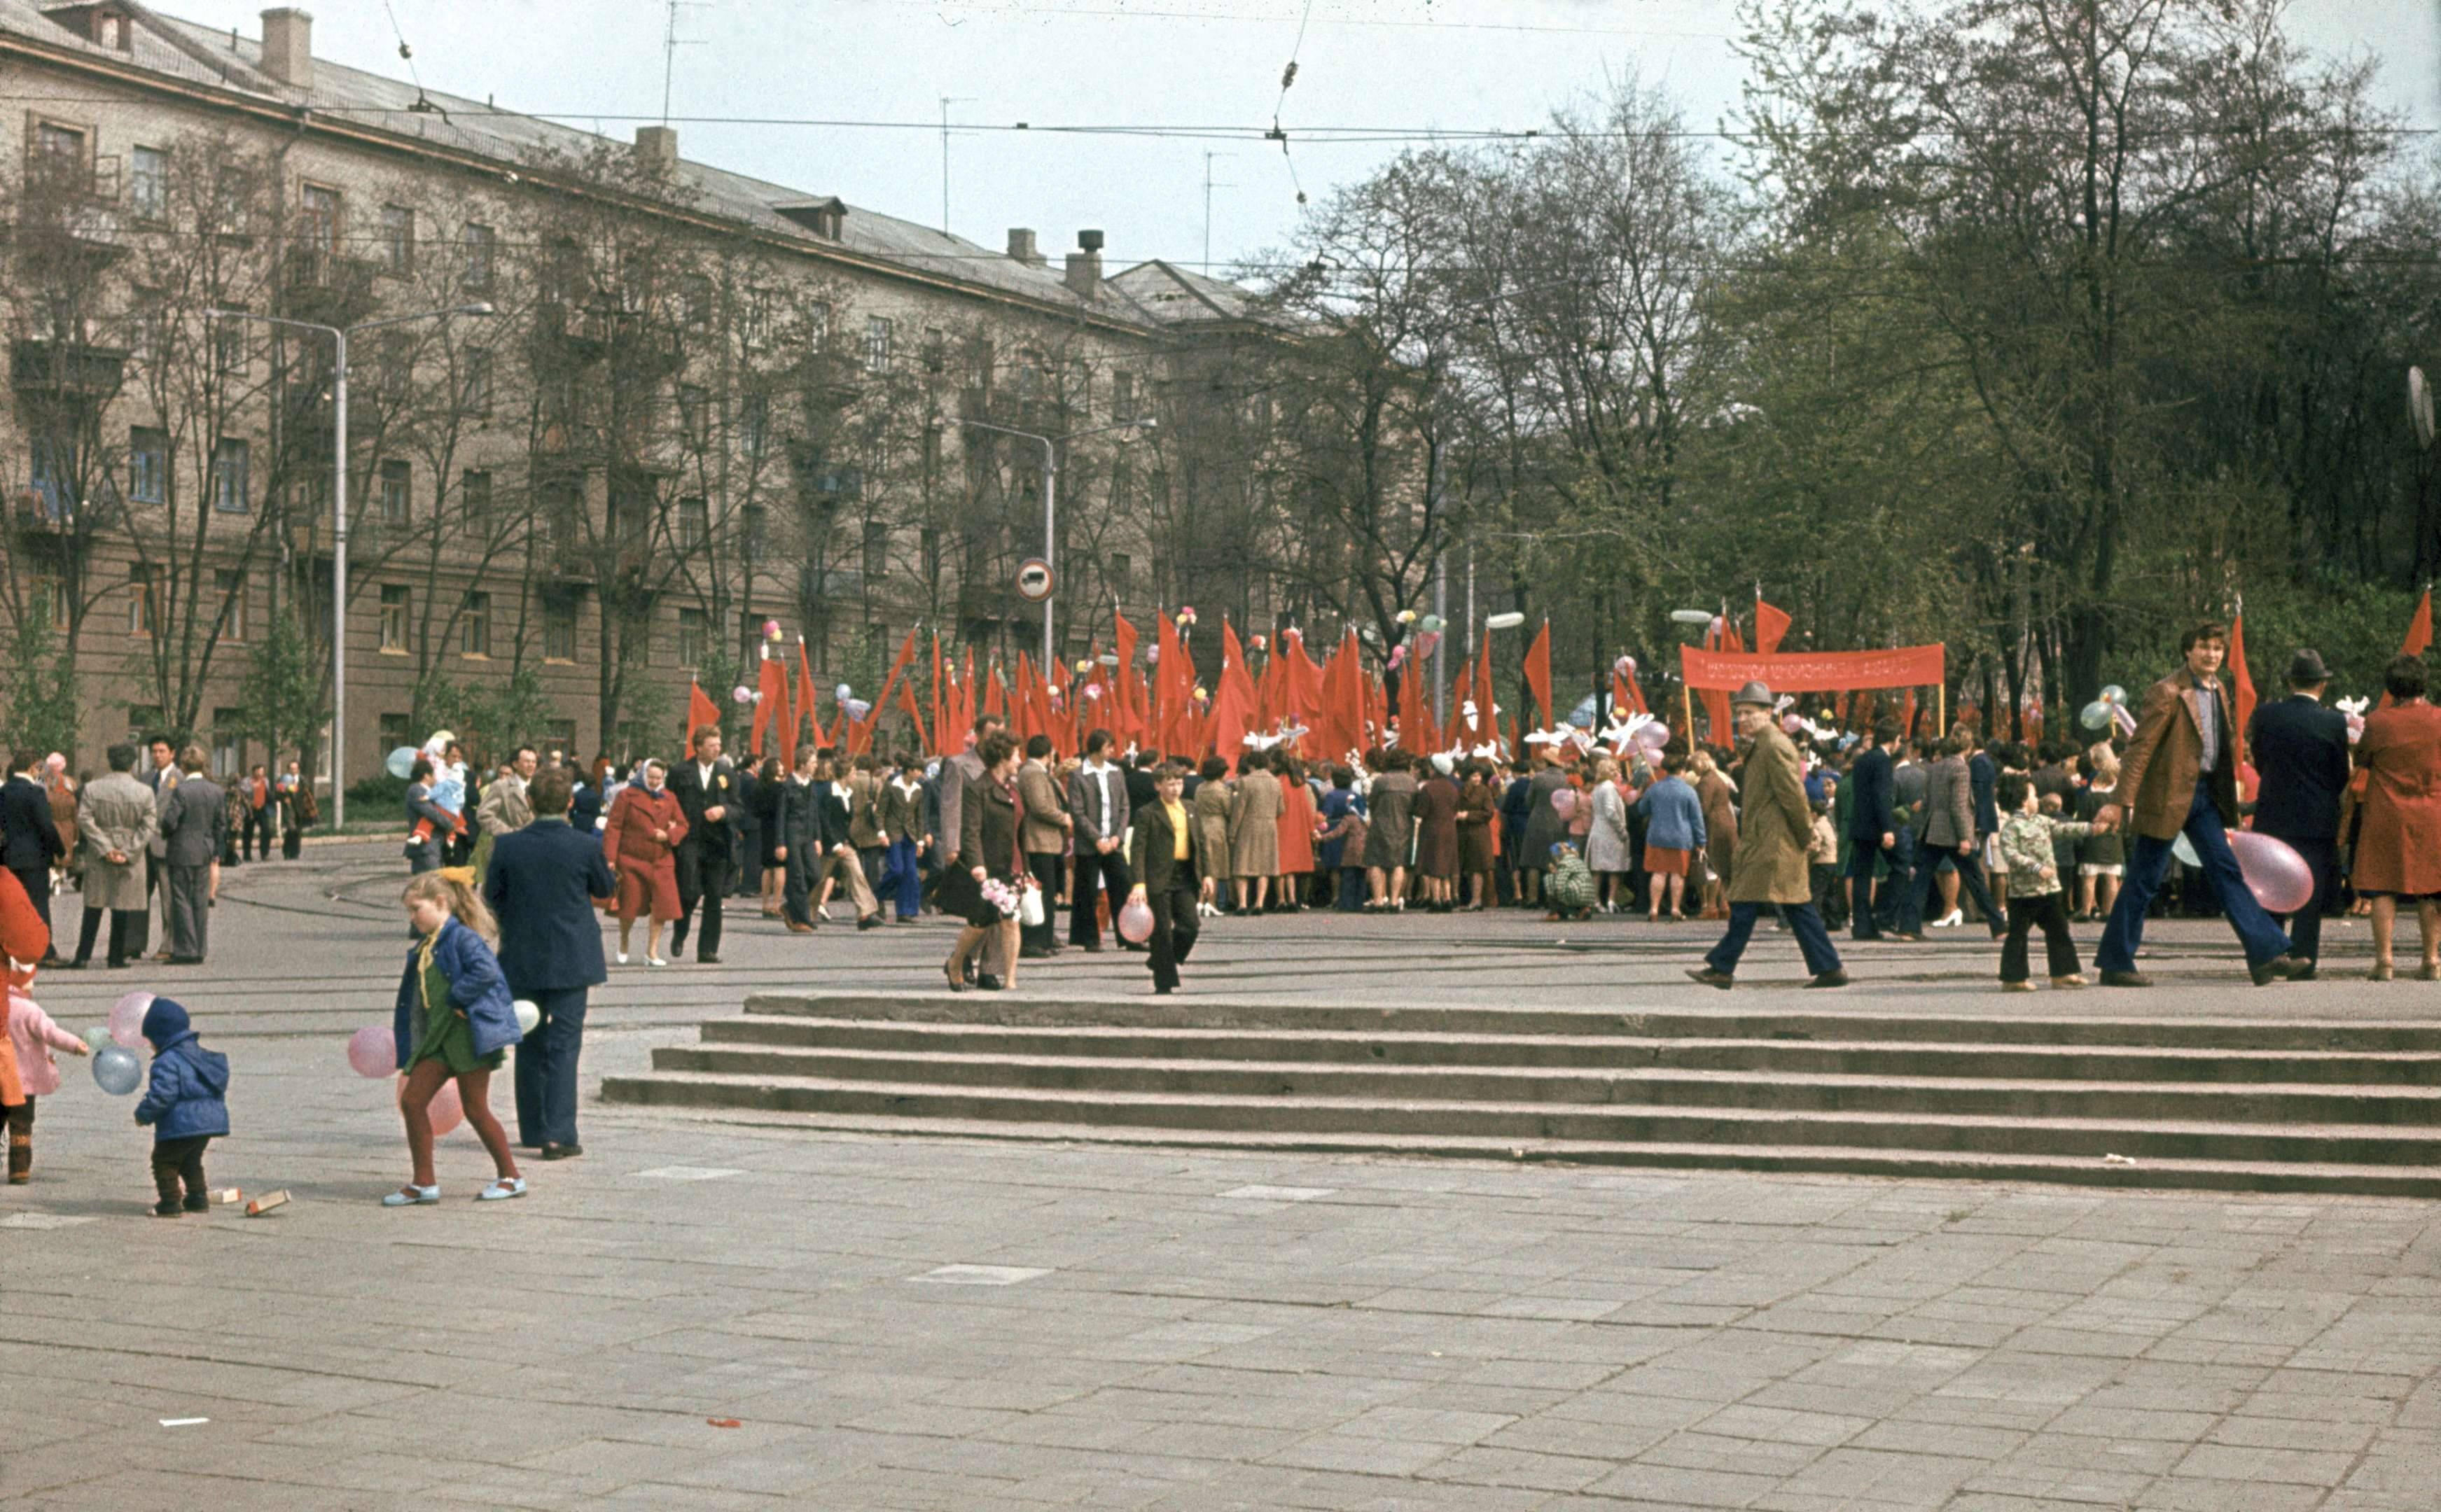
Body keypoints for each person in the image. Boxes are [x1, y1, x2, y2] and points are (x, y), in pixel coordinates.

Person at [2094, 622, 2304, 987]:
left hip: (2204, 796)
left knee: (2227, 871)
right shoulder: (2167, 691)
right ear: (2187, 651)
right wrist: (2119, 802)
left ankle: (2265, 955)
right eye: (2204, 647)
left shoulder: (2218, 688)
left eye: (2218, 649)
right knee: (2144, 880)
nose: (2212, 654)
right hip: (2167, 797)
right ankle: (2115, 962)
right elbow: (2140, 748)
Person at [485, 766, 616, 1161]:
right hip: (572, 957)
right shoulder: (585, 846)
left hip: (522, 956)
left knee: (528, 1038)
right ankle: (558, 1134)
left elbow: (493, 897)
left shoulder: (508, 846)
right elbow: (605, 890)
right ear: (570, 803)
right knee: (564, 1045)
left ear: (529, 801)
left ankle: (532, 1127)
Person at [1686, 682, 1847, 990]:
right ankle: (1829, 967)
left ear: (1768, 713)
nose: (1743, 719)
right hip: (1769, 840)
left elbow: (1792, 795)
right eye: (1740, 713)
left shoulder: (1773, 745)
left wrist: (1805, 834)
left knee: (1748, 901)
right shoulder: (1764, 743)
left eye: (1749, 712)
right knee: (1795, 905)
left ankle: (1723, 967)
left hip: (1774, 842)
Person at [388, 870, 527, 1203]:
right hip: (439, 1039)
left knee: (476, 1109)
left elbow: (487, 971)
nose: (412, 917)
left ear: (440, 903)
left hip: (467, 1038)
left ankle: (511, 1177)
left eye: (416, 909)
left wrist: (458, 997)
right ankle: (424, 1183)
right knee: (412, 1101)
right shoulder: (430, 942)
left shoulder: (461, 937)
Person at [2246, 650, 2353, 978]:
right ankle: (2304, 959)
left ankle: (2269, 953)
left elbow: (2260, 761)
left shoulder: (2266, 716)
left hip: (2273, 815)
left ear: (2290, 682)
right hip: (2317, 818)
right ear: (2322, 684)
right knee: (2311, 889)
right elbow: (2341, 774)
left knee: (2271, 887)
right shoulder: (2334, 721)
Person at [2351, 654, 2441, 981]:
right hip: (2432, 811)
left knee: (2381, 886)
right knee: (2431, 887)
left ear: (2391, 688)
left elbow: (2362, 756)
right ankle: (2431, 960)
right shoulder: (2439, 719)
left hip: (2387, 812)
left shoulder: (2378, 721)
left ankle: (2385, 961)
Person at [1993, 774, 2103, 991]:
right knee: (2017, 936)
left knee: (2059, 930)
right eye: (2034, 795)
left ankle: (2063, 973)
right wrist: (2036, 867)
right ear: (2023, 800)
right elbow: (2011, 855)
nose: (2038, 799)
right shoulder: (2011, 826)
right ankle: (2013, 978)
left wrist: (2091, 829)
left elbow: (2064, 828)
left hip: (2049, 890)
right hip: (2023, 893)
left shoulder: (2041, 820)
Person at [940, 732, 1022, 993]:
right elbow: (971, 831)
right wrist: (976, 863)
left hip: (1012, 865)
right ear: (1002, 759)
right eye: (1016, 756)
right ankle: (956, 961)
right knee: (980, 923)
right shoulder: (978, 789)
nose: (1020, 761)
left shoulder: (1013, 790)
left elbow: (1021, 832)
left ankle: (1010, 980)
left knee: (1010, 920)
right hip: (988, 865)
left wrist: (1027, 869)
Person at [132, 995, 228, 1217]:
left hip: (181, 1124)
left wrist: (143, 1114)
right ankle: (198, 1198)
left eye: (150, 1039)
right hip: (207, 1123)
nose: (150, 1045)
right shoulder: (199, 1054)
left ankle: (170, 1202)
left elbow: (163, 1095)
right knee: (191, 1161)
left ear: (161, 1036)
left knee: (164, 1161)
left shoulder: (167, 1060)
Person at [69, 744, 155, 970]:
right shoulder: (145, 792)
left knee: (93, 905)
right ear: (132, 763)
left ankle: (82, 955)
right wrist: (128, 852)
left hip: (100, 852)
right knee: (122, 906)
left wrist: (106, 848)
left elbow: (85, 819)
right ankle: (115, 956)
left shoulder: (92, 789)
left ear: (110, 761)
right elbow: (148, 827)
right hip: (130, 851)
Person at [1919, 734, 2007, 939]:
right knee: (1975, 878)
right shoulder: (1961, 768)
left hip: (1934, 829)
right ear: (1967, 747)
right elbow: (1959, 806)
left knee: (1921, 879)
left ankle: (1909, 925)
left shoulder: (1935, 767)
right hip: (1954, 833)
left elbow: (1928, 800)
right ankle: (1998, 926)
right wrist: (1965, 837)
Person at [1126, 762, 1202, 995]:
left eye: (1179, 783)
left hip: (1184, 876)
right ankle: (1164, 982)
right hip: (1157, 877)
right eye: (1170, 784)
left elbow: (1201, 843)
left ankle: (1160, 961)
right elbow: (1138, 850)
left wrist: (1207, 874)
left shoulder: (1190, 808)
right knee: (1161, 933)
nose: (1176, 789)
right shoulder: (1147, 813)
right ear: (1158, 785)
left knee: (1191, 926)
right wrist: (1139, 883)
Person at [604, 759, 687, 967]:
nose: (654, 781)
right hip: (632, 859)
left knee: (663, 907)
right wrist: (610, 858)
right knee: (629, 907)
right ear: (642, 775)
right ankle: (624, 940)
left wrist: (668, 835)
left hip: (662, 860)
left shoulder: (670, 797)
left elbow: (683, 825)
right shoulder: (626, 796)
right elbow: (614, 827)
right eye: (651, 777)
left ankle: (652, 951)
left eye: (658, 778)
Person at [6, 981, 90, 1182]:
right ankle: (19, 1169)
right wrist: (75, 1044)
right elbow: (51, 1034)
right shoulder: (28, 1009)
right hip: (23, 1084)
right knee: (21, 1125)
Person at [668, 730, 736, 964]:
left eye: (719, 744)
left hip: (717, 842)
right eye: (711, 745)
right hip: (690, 840)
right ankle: (680, 931)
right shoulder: (680, 772)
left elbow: (739, 807)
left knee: (715, 897)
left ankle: (707, 949)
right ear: (698, 747)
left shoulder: (726, 771)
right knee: (688, 891)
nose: (717, 749)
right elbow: (669, 802)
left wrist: (723, 811)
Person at [1065, 729, 1132, 949]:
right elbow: (1077, 811)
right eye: (1108, 747)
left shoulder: (1116, 772)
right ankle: (1090, 938)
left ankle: (1130, 936)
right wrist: (1097, 839)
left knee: (1123, 886)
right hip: (1090, 844)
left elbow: (1124, 807)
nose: (1113, 751)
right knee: (1088, 891)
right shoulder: (1078, 775)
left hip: (1113, 842)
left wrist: (1117, 837)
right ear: (1096, 749)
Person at [155, 746, 221, 965]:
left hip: (181, 850)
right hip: (204, 850)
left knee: (181, 899)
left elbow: (170, 821)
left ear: (183, 766)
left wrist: (165, 832)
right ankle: (200, 947)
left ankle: (186, 949)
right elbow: (221, 825)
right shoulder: (215, 791)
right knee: (200, 900)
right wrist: (216, 850)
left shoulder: (181, 791)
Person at [811, 754, 884, 930]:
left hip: (845, 842)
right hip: (830, 844)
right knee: (819, 880)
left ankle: (865, 914)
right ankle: (805, 912)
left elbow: (845, 822)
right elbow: (824, 819)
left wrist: (849, 841)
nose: (855, 777)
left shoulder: (848, 793)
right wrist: (834, 843)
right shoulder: (829, 792)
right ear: (845, 774)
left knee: (857, 873)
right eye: (853, 773)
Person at [1, 750, 64, 948]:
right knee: (38, 904)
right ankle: (44, 950)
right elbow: (46, 826)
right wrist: (59, 850)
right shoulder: (35, 792)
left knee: (11, 905)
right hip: (35, 857)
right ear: (33, 767)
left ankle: (12, 948)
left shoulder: (3, 791)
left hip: (8, 856)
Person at [1015, 736, 1071, 958]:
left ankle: (1045, 938)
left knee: (1049, 892)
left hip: (1048, 842)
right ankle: (1035, 940)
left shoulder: (1040, 773)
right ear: (1049, 753)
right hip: (1039, 842)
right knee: (1040, 893)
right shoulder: (1032, 773)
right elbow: (1040, 807)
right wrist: (1063, 818)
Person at [1634, 755, 1705, 922]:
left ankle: (1654, 909)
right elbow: (1697, 819)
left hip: (1657, 836)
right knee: (1677, 874)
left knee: (1658, 873)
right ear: (1681, 770)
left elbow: (1642, 809)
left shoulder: (1655, 788)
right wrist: (1701, 841)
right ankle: (1675, 908)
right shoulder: (1689, 791)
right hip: (1681, 837)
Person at [2073, 747, 2125, 923]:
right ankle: (2108, 911)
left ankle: (2086, 910)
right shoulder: (2118, 788)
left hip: (2093, 835)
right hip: (2113, 835)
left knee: (2090, 877)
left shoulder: (2090, 793)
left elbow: (2082, 816)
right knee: (2111, 876)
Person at [471, 746, 538, 883]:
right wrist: (509, 833)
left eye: (534, 762)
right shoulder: (501, 786)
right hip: (506, 850)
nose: (531, 765)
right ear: (515, 764)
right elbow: (484, 815)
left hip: (532, 850)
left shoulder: (540, 787)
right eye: (527, 761)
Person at [1363, 749, 1419, 910]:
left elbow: (1372, 803)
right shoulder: (1412, 782)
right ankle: (1395, 901)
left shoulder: (1381, 781)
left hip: (1380, 824)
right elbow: (1415, 807)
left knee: (1376, 862)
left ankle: (1378, 900)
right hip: (1404, 826)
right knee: (1399, 863)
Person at [1227, 750, 1282, 913]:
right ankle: (1259, 903)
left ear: (1251, 765)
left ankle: (1242, 904)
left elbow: (1239, 810)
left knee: (1242, 865)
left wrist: (1232, 832)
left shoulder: (1245, 782)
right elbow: (1281, 808)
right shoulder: (1276, 782)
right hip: (1269, 826)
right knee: (1264, 867)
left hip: (1248, 826)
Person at [777, 745, 822, 933]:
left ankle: (790, 905)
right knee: (797, 877)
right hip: (792, 835)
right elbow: (781, 815)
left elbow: (815, 813)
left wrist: (817, 838)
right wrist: (780, 843)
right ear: (802, 764)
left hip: (808, 835)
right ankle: (803, 919)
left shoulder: (811, 785)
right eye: (813, 763)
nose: (816, 766)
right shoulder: (787, 786)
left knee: (815, 874)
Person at [878, 754, 926, 923]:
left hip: (910, 835)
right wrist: (882, 833)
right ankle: (877, 895)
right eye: (918, 770)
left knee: (911, 873)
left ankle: (906, 911)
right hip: (894, 834)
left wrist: (920, 840)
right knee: (897, 870)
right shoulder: (892, 786)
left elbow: (920, 817)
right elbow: (881, 812)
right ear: (909, 770)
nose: (920, 774)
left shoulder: (918, 790)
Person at [1411, 754, 1461, 911]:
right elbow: (1456, 808)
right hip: (1450, 829)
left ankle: (1436, 900)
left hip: (1432, 829)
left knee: (1433, 865)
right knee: (1447, 866)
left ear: (1435, 770)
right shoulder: (1453, 788)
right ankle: (1448, 898)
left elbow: (1421, 812)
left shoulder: (1429, 788)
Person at [1585, 757, 1632, 913]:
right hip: (1610, 831)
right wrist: (1621, 830)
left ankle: (1595, 899)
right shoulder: (1609, 788)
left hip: (1598, 829)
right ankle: (1611, 900)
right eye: (1614, 770)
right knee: (1614, 868)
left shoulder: (1597, 788)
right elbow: (1611, 811)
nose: (1618, 772)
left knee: (1598, 869)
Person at [1274, 752, 1319, 910]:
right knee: (1291, 868)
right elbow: (1307, 809)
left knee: (1280, 867)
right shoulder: (1299, 784)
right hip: (1297, 827)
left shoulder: (1278, 782)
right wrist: (1312, 829)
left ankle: (1281, 900)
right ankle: (1293, 899)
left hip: (1280, 825)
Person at [1191, 757, 1234, 913]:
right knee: (1214, 867)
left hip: (1201, 824)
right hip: (1217, 828)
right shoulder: (1223, 790)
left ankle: (1200, 901)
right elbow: (1229, 810)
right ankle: (1212, 902)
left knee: (1202, 866)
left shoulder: (1199, 788)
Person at [1456, 761, 1498, 911]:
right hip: (1463, 833)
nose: (1477, 779)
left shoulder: (1484, 791)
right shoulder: (1461, 790)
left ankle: (1476, 900)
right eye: (1474, 776)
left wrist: (1468, 815)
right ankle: (1469, 899)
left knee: (1478, 868)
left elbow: (1489, 813)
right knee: (1467, 868)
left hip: (1479, 833)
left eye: (1479, 776)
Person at [750, 755, 788, 918]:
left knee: (767, 867)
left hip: (765, 828)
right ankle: (776, 904)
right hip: (778, 828)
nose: (782, 767)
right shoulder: (781, 788)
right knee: (780, 867)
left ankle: (765, 904)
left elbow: (755, 810)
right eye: (780, 765)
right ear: (775, 768)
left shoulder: (759, 787)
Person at [403, 757, 450, 874]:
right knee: (431, 885)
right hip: (425, 848)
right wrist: (450, 824)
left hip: (432, 847)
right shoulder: (417, 790)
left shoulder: (428, 791)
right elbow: (431, 813)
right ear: (426, 776)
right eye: (433, 775)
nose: (435, 778)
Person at [277, 759, 315, 859]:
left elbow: (308, 792)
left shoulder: (302, 780)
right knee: (291, 829)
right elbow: (277, 793)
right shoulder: (283, 780)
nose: (293, 771)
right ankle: (287, 851)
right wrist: (283, 797)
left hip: (300, 808)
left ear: (298, 770)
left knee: (298, 831)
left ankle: (295, 853)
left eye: (295, 769)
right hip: (289, 809)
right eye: (291, 769)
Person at [238, 763, 274, 862]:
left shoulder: (266, 781)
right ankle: (247, 855)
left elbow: (267, 793)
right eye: (258, 771)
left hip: (262, 809)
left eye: (262, 771)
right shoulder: (247, 781)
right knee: (248, 833)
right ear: (254, 772)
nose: (260, 774)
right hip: (250, 809)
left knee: (267, 830)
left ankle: (265, 854)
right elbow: (243, 793)